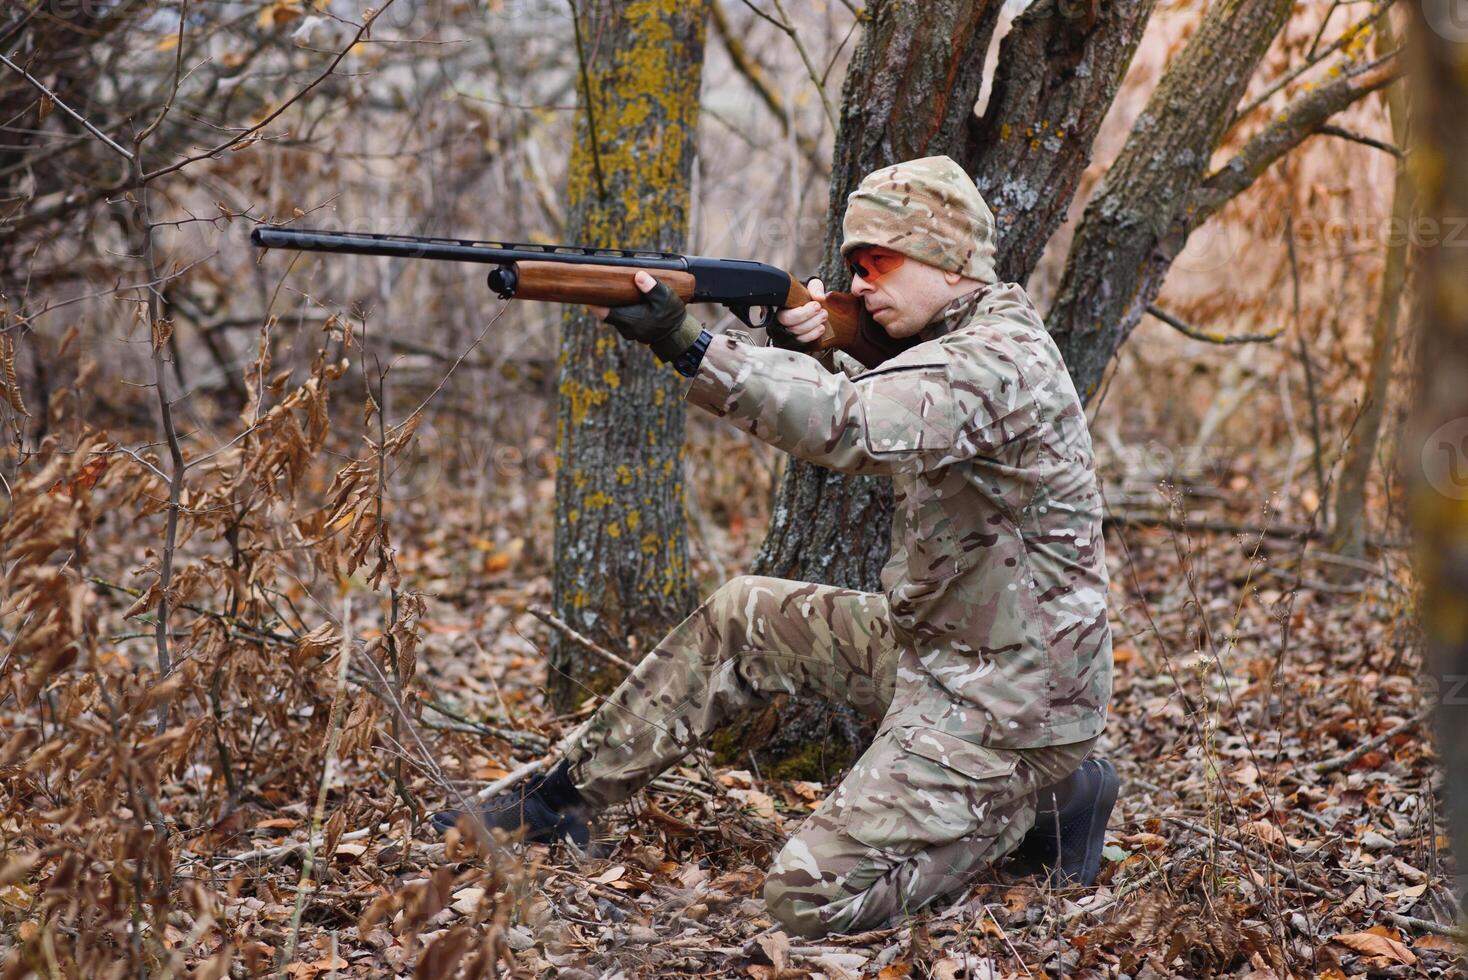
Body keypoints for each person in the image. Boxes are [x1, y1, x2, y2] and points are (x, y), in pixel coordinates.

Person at [436, 155, 1118, 939]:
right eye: (853, 265)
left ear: (949, 257)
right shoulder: (946, 340)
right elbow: (881, 395)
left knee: (805, 899)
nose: (858, 283)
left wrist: (690, 345)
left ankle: (1043, 803)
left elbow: (849, 424)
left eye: (880, 261)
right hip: (942, 650)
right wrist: (821, 341)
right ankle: (557, 803)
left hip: (1014, 698)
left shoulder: (997, 358)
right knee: (745, 614)